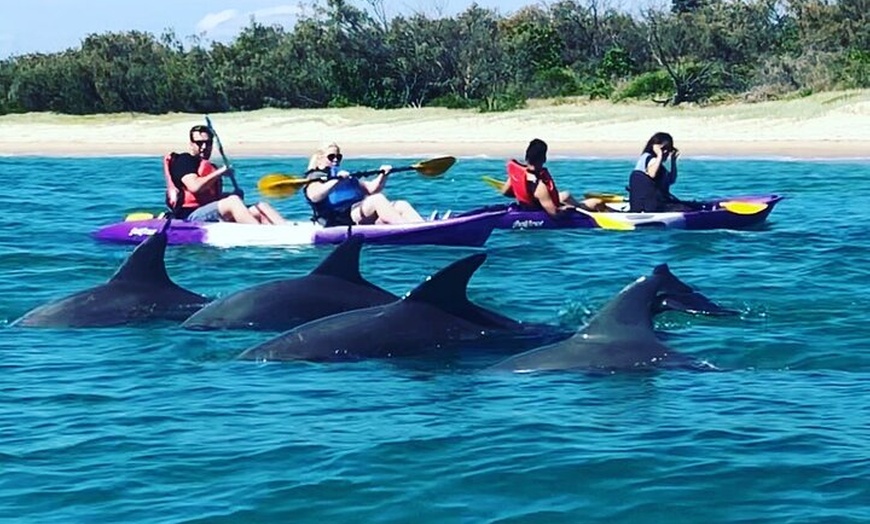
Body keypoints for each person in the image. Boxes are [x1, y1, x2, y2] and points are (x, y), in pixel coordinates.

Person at [164, 125, 286, 224]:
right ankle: (258, 233)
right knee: (233, 201)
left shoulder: (210, 166)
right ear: (191, 144)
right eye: (199, 143)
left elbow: (212, 199)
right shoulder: (184, 160)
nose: (204, 147)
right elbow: (195, 187)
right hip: (189, 216)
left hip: (209, 212)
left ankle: (286, 229)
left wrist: (233, 194)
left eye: (208, 143)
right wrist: (221, 172)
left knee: (260, 207)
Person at [303, 143, 424, 226]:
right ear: (320, 158)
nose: (335, 159)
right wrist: (336, 181)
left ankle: (422, 225)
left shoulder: (341, 174)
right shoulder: (314, 176)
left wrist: (383, 175)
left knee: (401, 204)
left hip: (354, 213)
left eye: (338, 156)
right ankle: (405, 227)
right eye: (331, 156)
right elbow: (314, 196)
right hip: (335, 219)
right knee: (377, 199)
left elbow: (371, 189)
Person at [499, 138, 603, 217]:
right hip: (546, 208)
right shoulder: (540, 187)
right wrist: (566, 209)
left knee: (565, 195)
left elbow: (505, 192)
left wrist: (526, 195)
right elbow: (555, 214)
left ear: (527, 157)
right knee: (597, 202)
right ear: (544, 158)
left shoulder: (516, 176)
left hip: (532, 206)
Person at [628, 132, 690, 213]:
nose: (666, 152)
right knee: (686, 208)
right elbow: (652, 174)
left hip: (652, 204)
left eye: (668, 149)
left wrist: (673, 161)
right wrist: (659, 155)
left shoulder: (656, 164)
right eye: (663, 149)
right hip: (651, 207)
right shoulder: (650, 159)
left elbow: (671, 180)